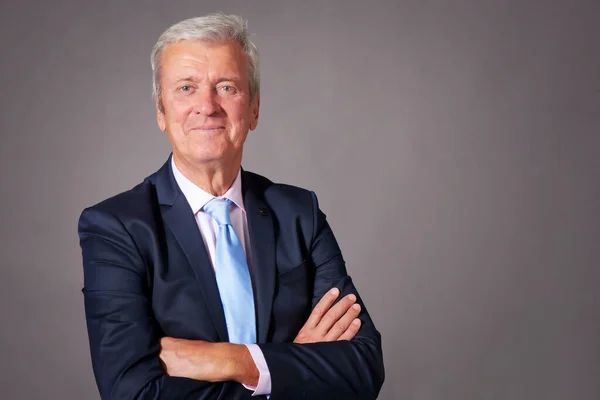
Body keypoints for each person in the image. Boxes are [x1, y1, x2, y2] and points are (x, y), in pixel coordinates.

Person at [78, 12, 384, 400]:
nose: (207, 106)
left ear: (254, 109)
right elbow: (132, 393)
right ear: (161, 112)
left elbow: (363, 368)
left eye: (226, 87)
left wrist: (233, 361)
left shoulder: (298, 214)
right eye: (186, 88)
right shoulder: (114, 227)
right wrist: (290, 365)